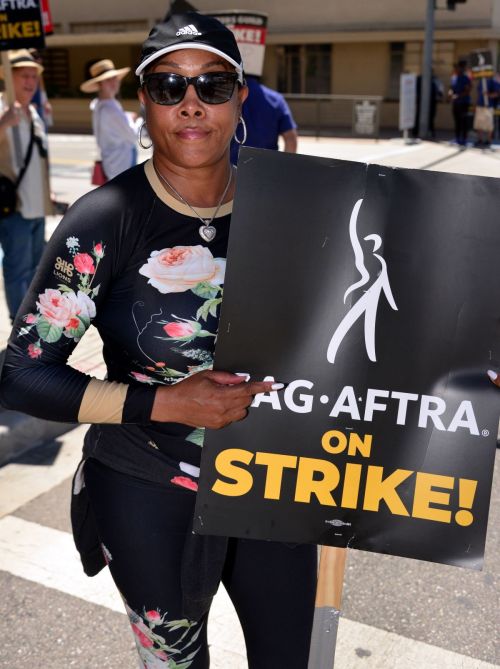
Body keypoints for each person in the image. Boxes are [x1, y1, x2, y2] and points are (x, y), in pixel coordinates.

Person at [0, 13, 317, 669]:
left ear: (241, 97)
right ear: (145, 100)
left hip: (278, 485)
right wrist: (166, 403)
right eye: (170, 86)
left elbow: (371, 332)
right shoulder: (106, 219)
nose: (192, 103)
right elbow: (23, 373)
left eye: (213, 84)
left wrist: (461, 375)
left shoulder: (298, 209)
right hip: (147, 487)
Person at [0, 49, 54, 322]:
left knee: (34, 270)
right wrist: (2, 123)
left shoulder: (33, 112)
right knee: (16, 269)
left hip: (37, 206)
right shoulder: (1, 108)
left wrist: (49, 195)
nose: (30, 82)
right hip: (16, 207)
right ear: (9, 77)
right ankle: (17, 326)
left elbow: (41, 160)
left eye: (34, 76)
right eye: (24, 76)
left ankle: (30, 320)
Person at [80, 58, 142, 181]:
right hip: (121, 164)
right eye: (108, 80)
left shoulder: (99, 105)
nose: (114, 82)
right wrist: (138, 121)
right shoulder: (110, 109)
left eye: (115, 78)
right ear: (100, 84)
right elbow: (132, 136)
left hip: (112, 162)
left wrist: (127, 117)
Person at [230, 74, 298, 164]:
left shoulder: (226, 98)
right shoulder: (276, 99)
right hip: (266, 170)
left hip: (229, 170)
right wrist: (283, 168)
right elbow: (291, 139)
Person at [448, 60, 472, 147]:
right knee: (457, 121)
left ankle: (464, 139)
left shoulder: (466, 78)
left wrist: (458, 96)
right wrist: (450, 93)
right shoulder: (454, 78)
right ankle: (457, 138)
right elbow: (451, 88)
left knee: (464, 121)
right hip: (456, 103)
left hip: (464, 102)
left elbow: (468, 90)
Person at [473, 75, 499, 147]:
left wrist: (488, 95)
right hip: (480, 105)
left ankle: (489, 140)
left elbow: (497, 94)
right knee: (479, 123)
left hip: (488, 106)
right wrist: (476, 103)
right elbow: (479, 93)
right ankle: (480, 139)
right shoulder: (481, 81)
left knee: (489, 124)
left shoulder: (493, 81)